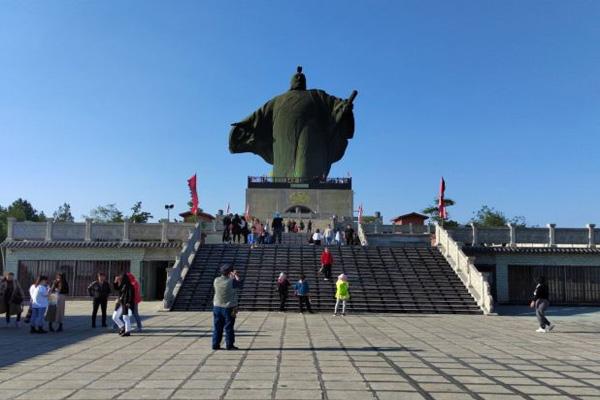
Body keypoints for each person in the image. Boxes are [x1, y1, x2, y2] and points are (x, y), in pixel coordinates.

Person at [212, 264, 241, 350]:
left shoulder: (216, 280)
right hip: (230, 307)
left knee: (217, 327)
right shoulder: (232, 282)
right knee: (229, 327)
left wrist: (231, 275)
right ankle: (229, 345)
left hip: (217, 307)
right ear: (230, 272)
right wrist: (235, 275)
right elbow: (239, 283)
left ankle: (215, 344)